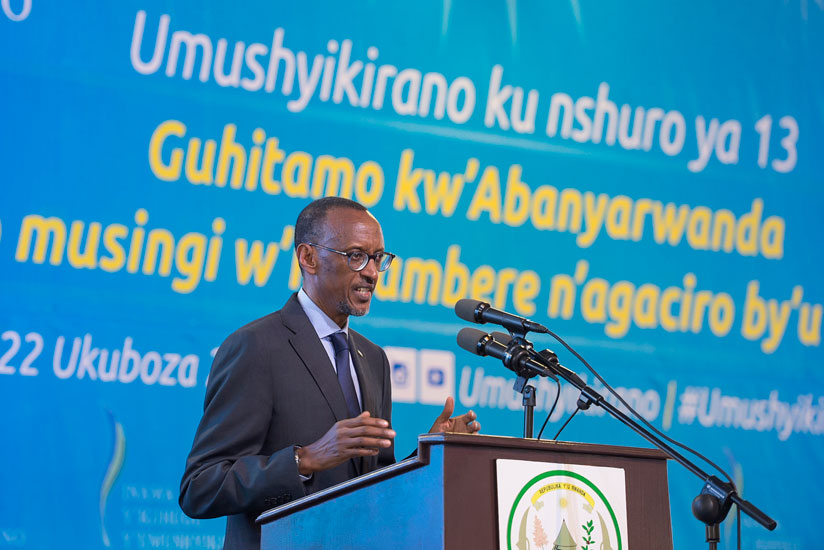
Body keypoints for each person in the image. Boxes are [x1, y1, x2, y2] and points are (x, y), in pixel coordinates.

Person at [179, 197, 480, 549]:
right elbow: (200, 488)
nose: (370, 271)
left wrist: (428, 453)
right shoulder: (257, 347)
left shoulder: (373, 358)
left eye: (378, 258)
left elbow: (371, 485)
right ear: (308, 258)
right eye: (356, 256)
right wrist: (304, 459)